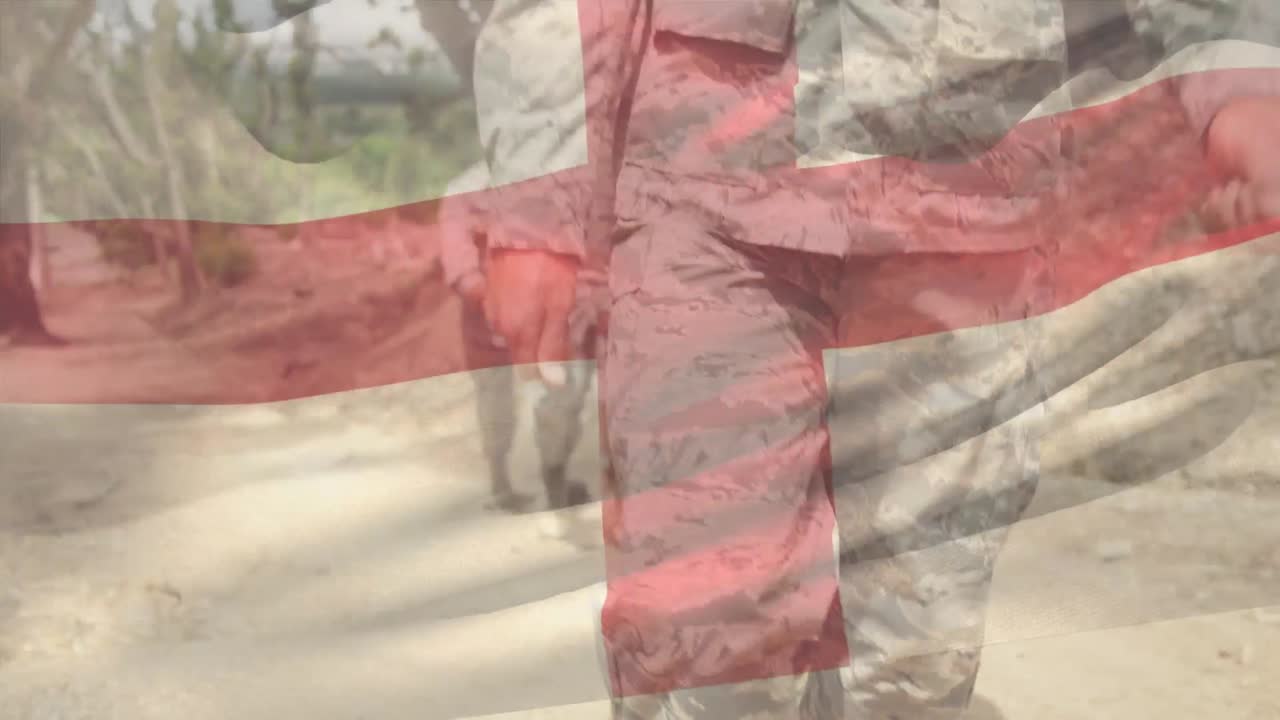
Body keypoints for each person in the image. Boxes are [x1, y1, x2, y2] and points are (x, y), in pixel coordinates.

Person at [438, 161, 602, 517]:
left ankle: (554, 480)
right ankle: (500, 482)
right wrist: (485, 292)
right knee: (495, 398)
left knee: (559, 397)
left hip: (550, 312)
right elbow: (458, 254)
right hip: (487, 317)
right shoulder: (465, 188)